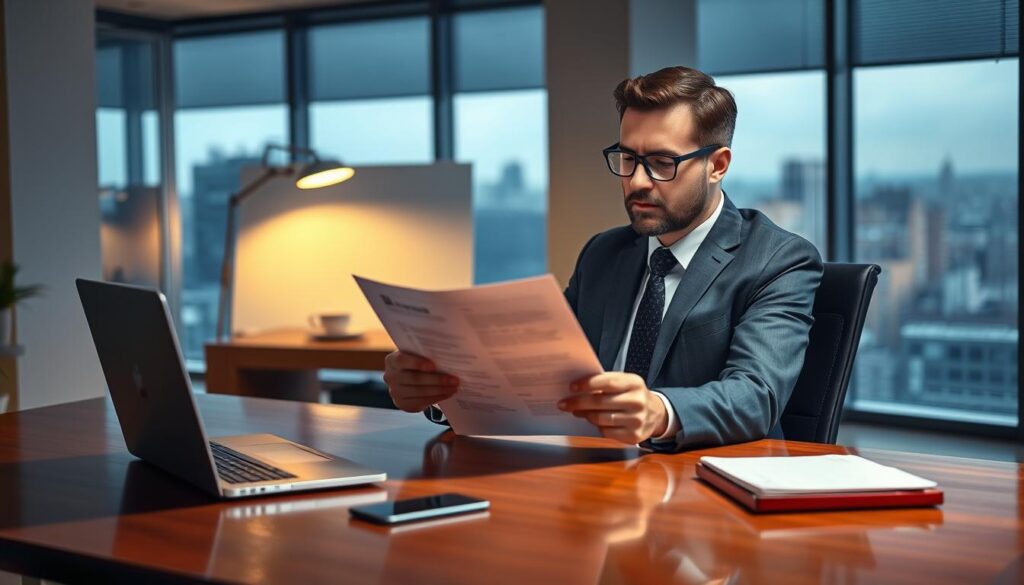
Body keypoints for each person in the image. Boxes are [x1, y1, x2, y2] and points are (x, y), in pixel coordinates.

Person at [383, 66, 823, 451]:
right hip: (592, 476)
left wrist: (658, 411)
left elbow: (755, 396)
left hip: (704, 493)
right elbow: (538, 376)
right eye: (627, 158)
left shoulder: (779, 259)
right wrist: (442, 394)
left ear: (717, 164)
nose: (637, 182)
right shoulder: (604, 253)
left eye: (662, 163)